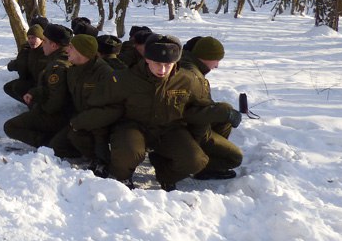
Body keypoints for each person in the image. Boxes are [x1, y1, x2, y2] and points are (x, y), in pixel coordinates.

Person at [71, 34, 229, 191]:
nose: (163, 70)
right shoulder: (123, 79)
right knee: (127, 155)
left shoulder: (188, 80)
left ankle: (166, 175)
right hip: (132, 126)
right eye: (157, 63)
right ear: (147, 59)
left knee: (196, 161)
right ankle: (123, 176)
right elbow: (101, 109)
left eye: (168, 64)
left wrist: (196, 139)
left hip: (170, 129)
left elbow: (200, 108)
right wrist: (100, 148)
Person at [178, 36, 243, 180]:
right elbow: (185, 113)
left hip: (196, 127)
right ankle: (200, 165)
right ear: (205, 57)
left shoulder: (191, 66)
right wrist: (224, 112)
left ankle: (206, 154)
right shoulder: (192, 75)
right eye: (216, 60)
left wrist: (224, 112)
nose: (217, 65)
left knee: (226, 111)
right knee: (234, 158)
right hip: (187, 131)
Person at [3, 24, 73, 149]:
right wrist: (34, 93)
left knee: (10, 127)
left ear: (54, 45)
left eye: (45, 41)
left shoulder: (58, 67)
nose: (42, 44)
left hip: (60, 117)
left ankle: (48, 143)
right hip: (64, 114)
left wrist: (39, 109)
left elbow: (55, 103)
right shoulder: (59, 58)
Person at [51, 35, 113, 172]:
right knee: (57, 145)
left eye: (71, 47)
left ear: (83, 52)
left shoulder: (104, 73)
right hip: (81, 118)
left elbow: (109, 109)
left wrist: (80, 122)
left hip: (102, 122)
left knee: (78, 135)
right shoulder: (73, 70)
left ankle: (102, 159)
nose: (67, 50)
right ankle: (88, 152)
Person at [4, 24, 48, 103]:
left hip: (43, 85)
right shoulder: (28, 50)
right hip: (32, 80)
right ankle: (31, 104)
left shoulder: (46, 51)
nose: (31, 40)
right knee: (8, 87)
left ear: (41, 38)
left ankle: (37, 107)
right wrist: (13, 65)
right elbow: (21, 63)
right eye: (29, 38)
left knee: (19, 87)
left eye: (33, 38)